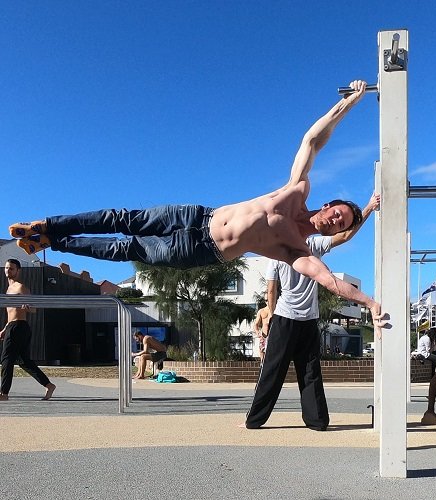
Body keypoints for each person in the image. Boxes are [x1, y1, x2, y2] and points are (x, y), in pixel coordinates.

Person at [9, 81, 387, 333]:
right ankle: (46, 225)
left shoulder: (296, 251)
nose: (336, 221)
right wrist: (348, 102)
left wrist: (368, 302)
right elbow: (312, 140)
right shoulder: (297, 189)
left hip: (198, 249)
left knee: (125, 248)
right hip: (196, 215)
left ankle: (50, 243)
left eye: (341, 225)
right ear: (328, 205)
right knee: (122, 219)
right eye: (339, 213)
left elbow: (331, 281)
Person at [244, 193, 380, 431]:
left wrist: (368, 207)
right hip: (285, 318)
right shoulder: (278, 251)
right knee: (273, 371)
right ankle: (254, 420)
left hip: (309, 319)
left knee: (310, 371)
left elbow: (346, 234)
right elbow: (271, 290)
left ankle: (317, 421)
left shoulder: (314, 245)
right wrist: (271, 318)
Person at [0, 259, 56, 401]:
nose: (8, 271)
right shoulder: (8, 289)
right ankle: (49, 385)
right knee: (24, 361)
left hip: (19, 327)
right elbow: (11, 312)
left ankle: (3, 393)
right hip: (13, 326)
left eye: (11, 268)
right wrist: (5, 328)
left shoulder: (20, 288)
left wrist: (28, 307)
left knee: (6, 359)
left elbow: (34, 308)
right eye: (7, 268)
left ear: (18, 271)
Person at [254, 297, 271, 362]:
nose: (267, 302)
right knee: (262, 355)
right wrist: (257, 332)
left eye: (269, 300)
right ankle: (262, 369)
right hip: (263, 336)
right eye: (266, 300)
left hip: (273, 336)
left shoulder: (276, 310)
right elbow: (256, 324)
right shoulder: (261, 311)